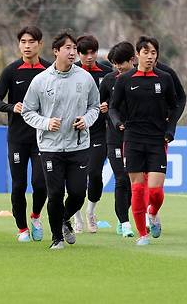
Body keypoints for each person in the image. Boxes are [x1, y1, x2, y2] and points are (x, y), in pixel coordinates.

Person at [22, 30, 100, 249]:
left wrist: (86, 119)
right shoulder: (40, 80)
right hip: (50, 147)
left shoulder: (85, 78)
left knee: (77, 193)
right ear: (56, 51)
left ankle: (64, 218)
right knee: (54, 193)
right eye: (68, 48)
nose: (73, 52)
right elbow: (28, 111)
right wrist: (46, 123)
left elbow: (95, 106)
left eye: (74, 48)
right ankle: (57, 238)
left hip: (78, 145)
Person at [109, 36, 178, 246]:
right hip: (133, 139)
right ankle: (142, 234)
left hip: (157, 140)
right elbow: (113, 107)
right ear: (137, 55)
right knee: (137, 189)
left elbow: (174, 106)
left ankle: (153, 213)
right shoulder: (125, 79)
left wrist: (170, 129)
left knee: (155, 192)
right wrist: (117, 121)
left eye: (153, 53)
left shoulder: (164, 79)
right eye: (146, 52)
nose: (150, 57)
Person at [0, 26, 50, 242]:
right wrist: (11, 107)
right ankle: (22, 229)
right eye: (23, 41)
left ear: (40, 44)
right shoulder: (11, 70)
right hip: (17, 138)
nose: (27, 46)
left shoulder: (49, 70)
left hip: (43, 137)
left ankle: (35, 216)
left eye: (31, 41)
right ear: (19, 45)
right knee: (18, 185)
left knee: (41, 183)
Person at [73, 34, 113, 233]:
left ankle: (90, 212)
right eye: (85, 53)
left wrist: (107, 107)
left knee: (95, 174)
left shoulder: (107, 72)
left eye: (93, 52)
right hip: (73, 132)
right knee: (75, 178)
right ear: (78, 54)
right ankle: (76, 216)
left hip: (98, 132)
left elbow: (115, 98)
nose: (89, 57)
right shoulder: (69, 72)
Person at [102, 41, 136, 238]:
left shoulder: (141, 78)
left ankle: (125, 215)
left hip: (136, 137)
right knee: (121, 179)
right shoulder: (108, 80)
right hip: (115, 137)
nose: (117, 68)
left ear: (132, 59)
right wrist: (103, 109)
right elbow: (100, 104)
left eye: (120, 63)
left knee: (133, 182)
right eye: (114, 64)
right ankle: (124, 222)